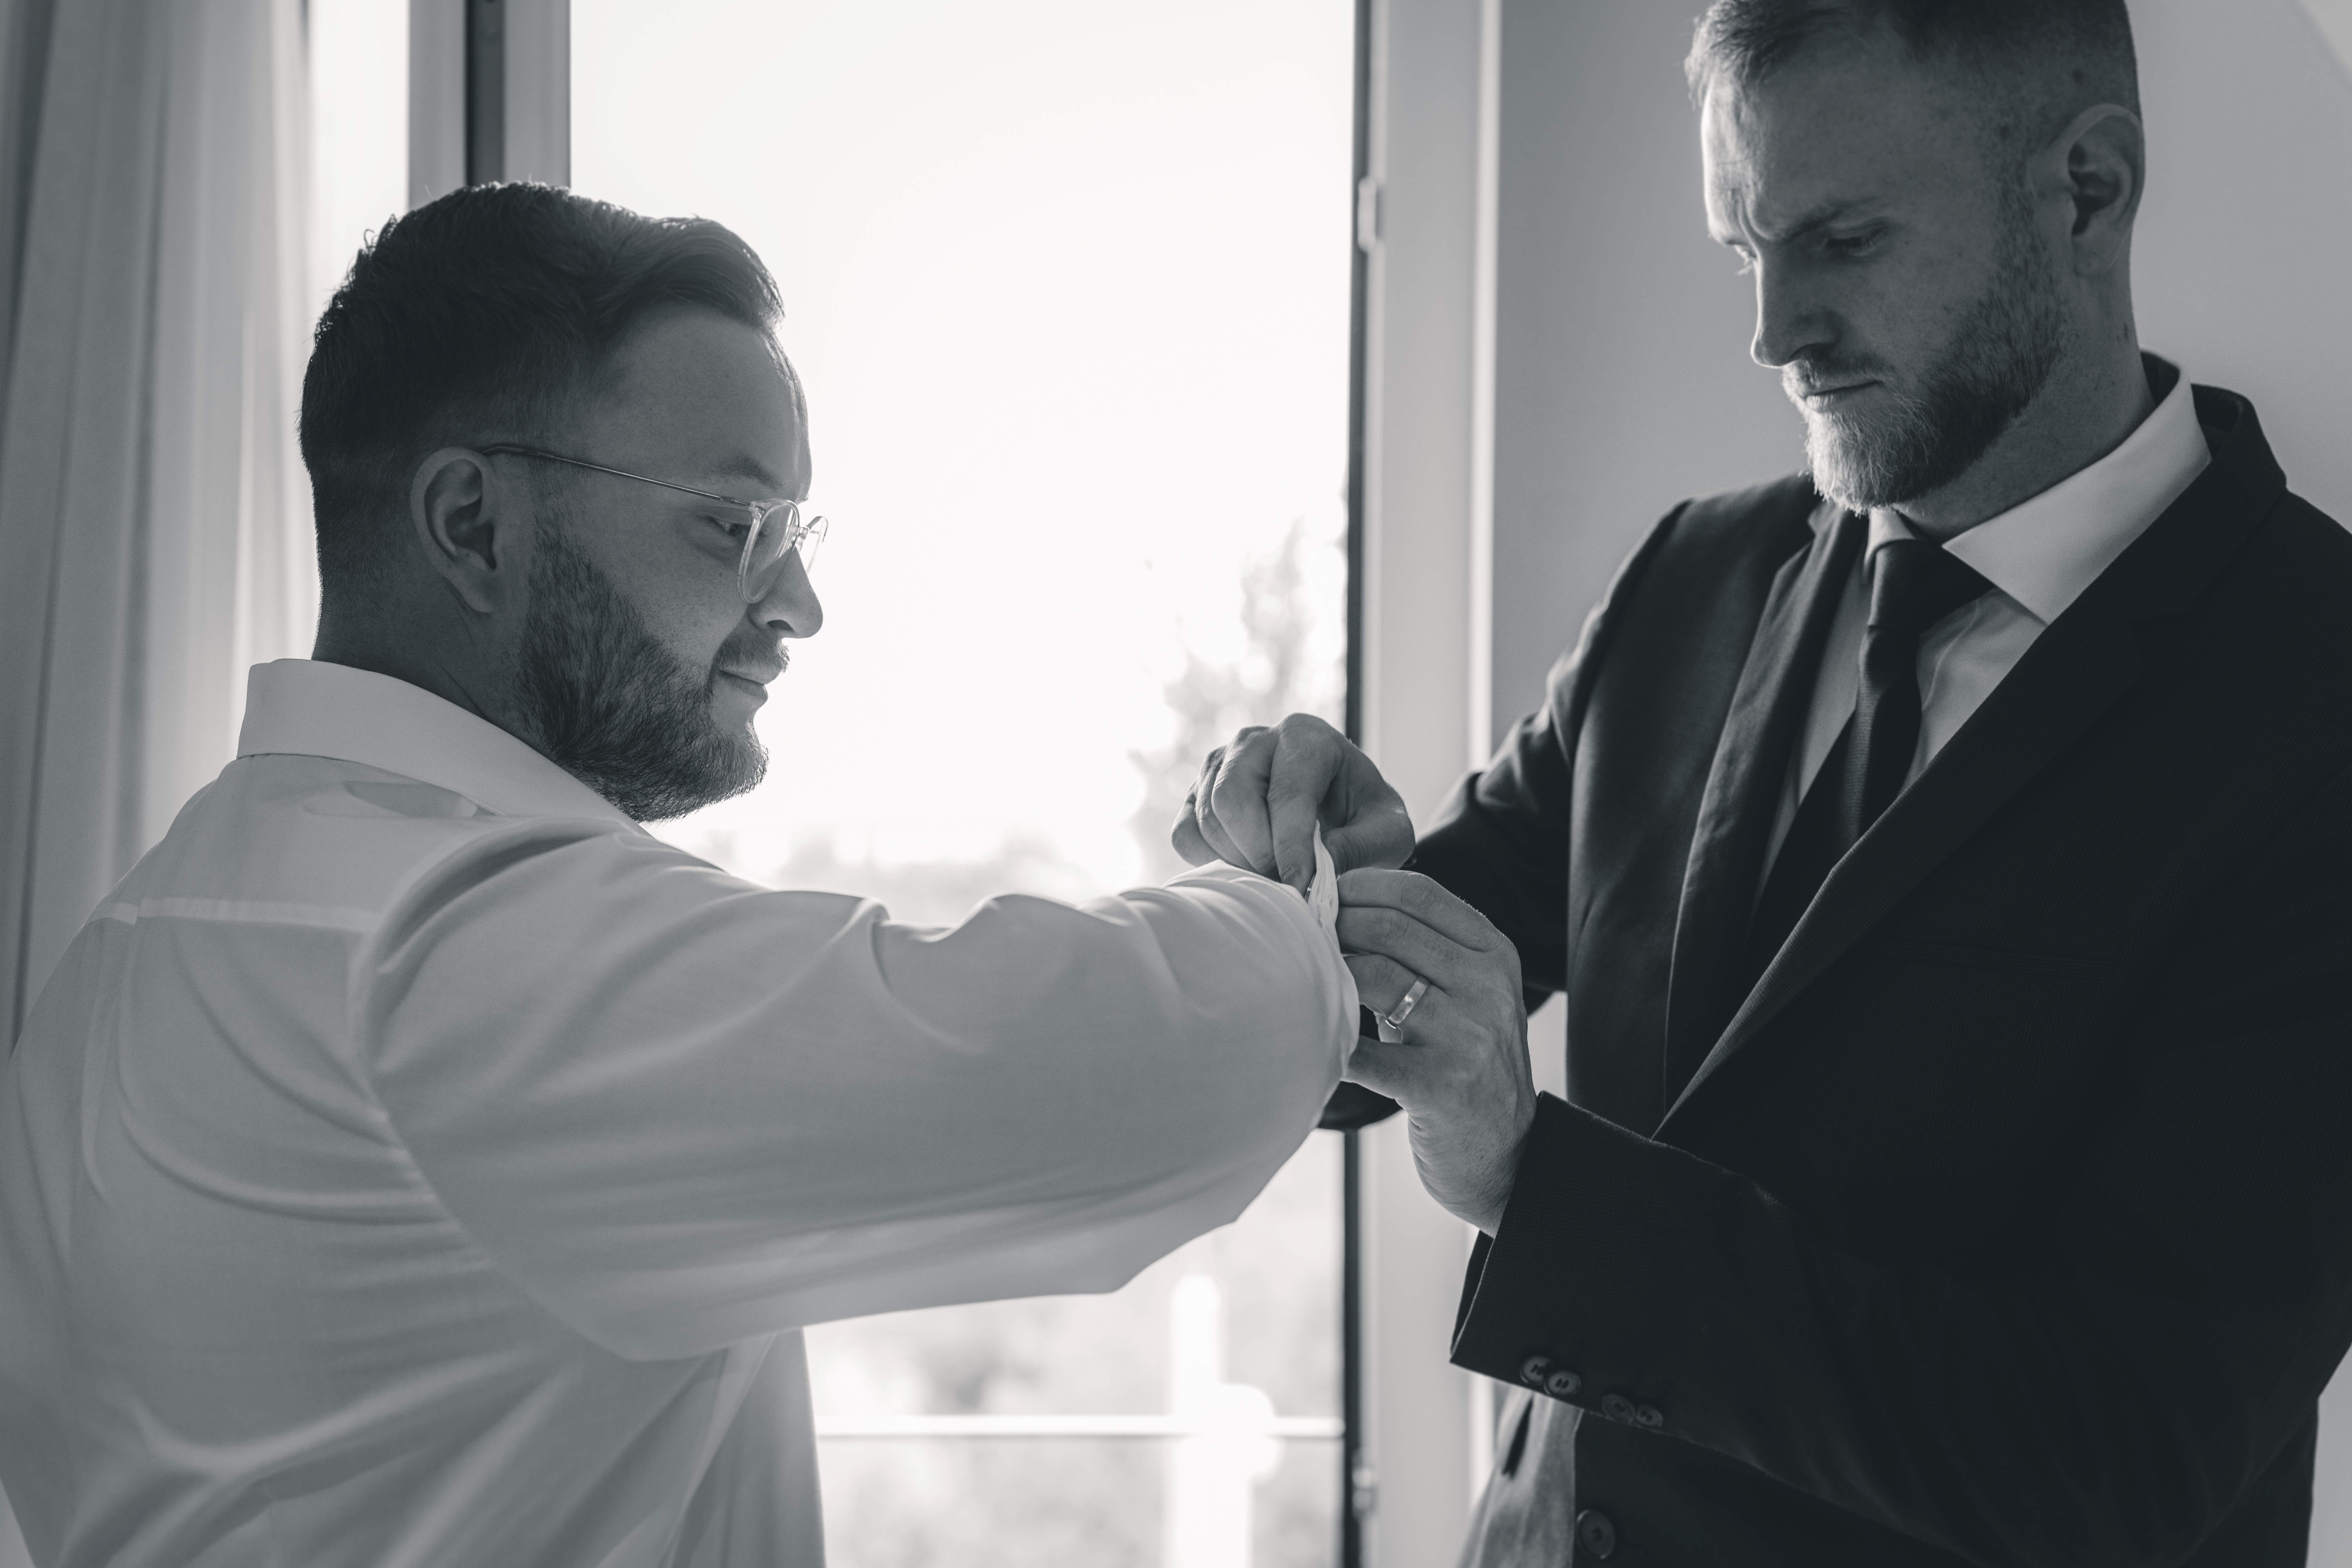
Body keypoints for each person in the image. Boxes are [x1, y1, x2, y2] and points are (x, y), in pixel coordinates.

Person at [0, 183, 1361, 1568]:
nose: (800, 607)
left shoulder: (131, 943)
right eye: (732, 525)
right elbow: (1106, 1064)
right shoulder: (450, 949)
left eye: (795, 535)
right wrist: (1298, 895)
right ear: (473, 523)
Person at [1179, 1, 2352, 1562]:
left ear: (2089, 189)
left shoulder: (2317, 696)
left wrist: (1534, 1178)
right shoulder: (1694, 575)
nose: (1774, 333)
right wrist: (1332, 899)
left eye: (1844, 241)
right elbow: (1383, 1016)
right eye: (1747, 248)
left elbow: (2115, 1453)